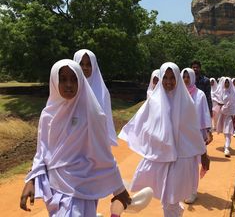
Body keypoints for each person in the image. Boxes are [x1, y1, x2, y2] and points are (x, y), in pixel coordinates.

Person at [20, 59, 130, 216]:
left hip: (82, 185)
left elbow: (103, 153)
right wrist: (30, 180)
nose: (69, 84)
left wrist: (118, 188)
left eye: (73, 79)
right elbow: (42, 152)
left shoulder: (92, 114)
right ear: (54, 81)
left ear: (81, 81)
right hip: (55, 187)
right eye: (63, 79)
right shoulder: (47, 115)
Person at [119, 62, 210, 217]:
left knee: (171, 198)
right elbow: (142, 123)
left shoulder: (186, 102)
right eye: (165, 78)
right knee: (166, 197)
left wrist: (203, 154)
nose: (168, 82)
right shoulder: (154, 101)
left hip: (182, 157)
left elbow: (193, 131)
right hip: (161, 156)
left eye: (172, 78)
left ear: (178, 79)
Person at [73, 49, 117, 146]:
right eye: (81, 64)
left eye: (89, 64)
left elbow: (106, 122)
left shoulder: (102, 93)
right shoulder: (69, 91)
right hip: (73, 143)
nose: (85, 68)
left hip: (96, 143)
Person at [181, 68, 211, 204]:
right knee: (183, 163)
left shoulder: (200, 95)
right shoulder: (179, 94)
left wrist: (207, 132)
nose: (186, 79)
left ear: (193, 78)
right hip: (181, 134)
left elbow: (204, 113)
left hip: (195, 134)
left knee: (193, 164)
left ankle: (193, 191)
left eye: (188, 77)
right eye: (184, 76)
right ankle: (183, 189)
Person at [216, 77, 235, 157]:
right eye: (225, 83)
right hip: (222, 114)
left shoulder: (233, 93)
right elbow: (218, 102)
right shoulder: (221, 92)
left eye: (228, 83)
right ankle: (226, 145)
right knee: (225, 132)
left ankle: (227, 148)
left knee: (228, 131)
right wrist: (222, 106)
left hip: (229, 115)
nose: (226, 84)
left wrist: (232, 112)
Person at [191, 60, 213, 144]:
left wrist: (209, 110)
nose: (195, 69)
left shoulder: (205, 80)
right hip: (191, 107)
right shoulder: (188, 79)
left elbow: (208, 96)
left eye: (197, 67)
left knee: (202, 130)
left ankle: (203, 152)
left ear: (200, 68)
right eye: (193, 67)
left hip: (202, 107)